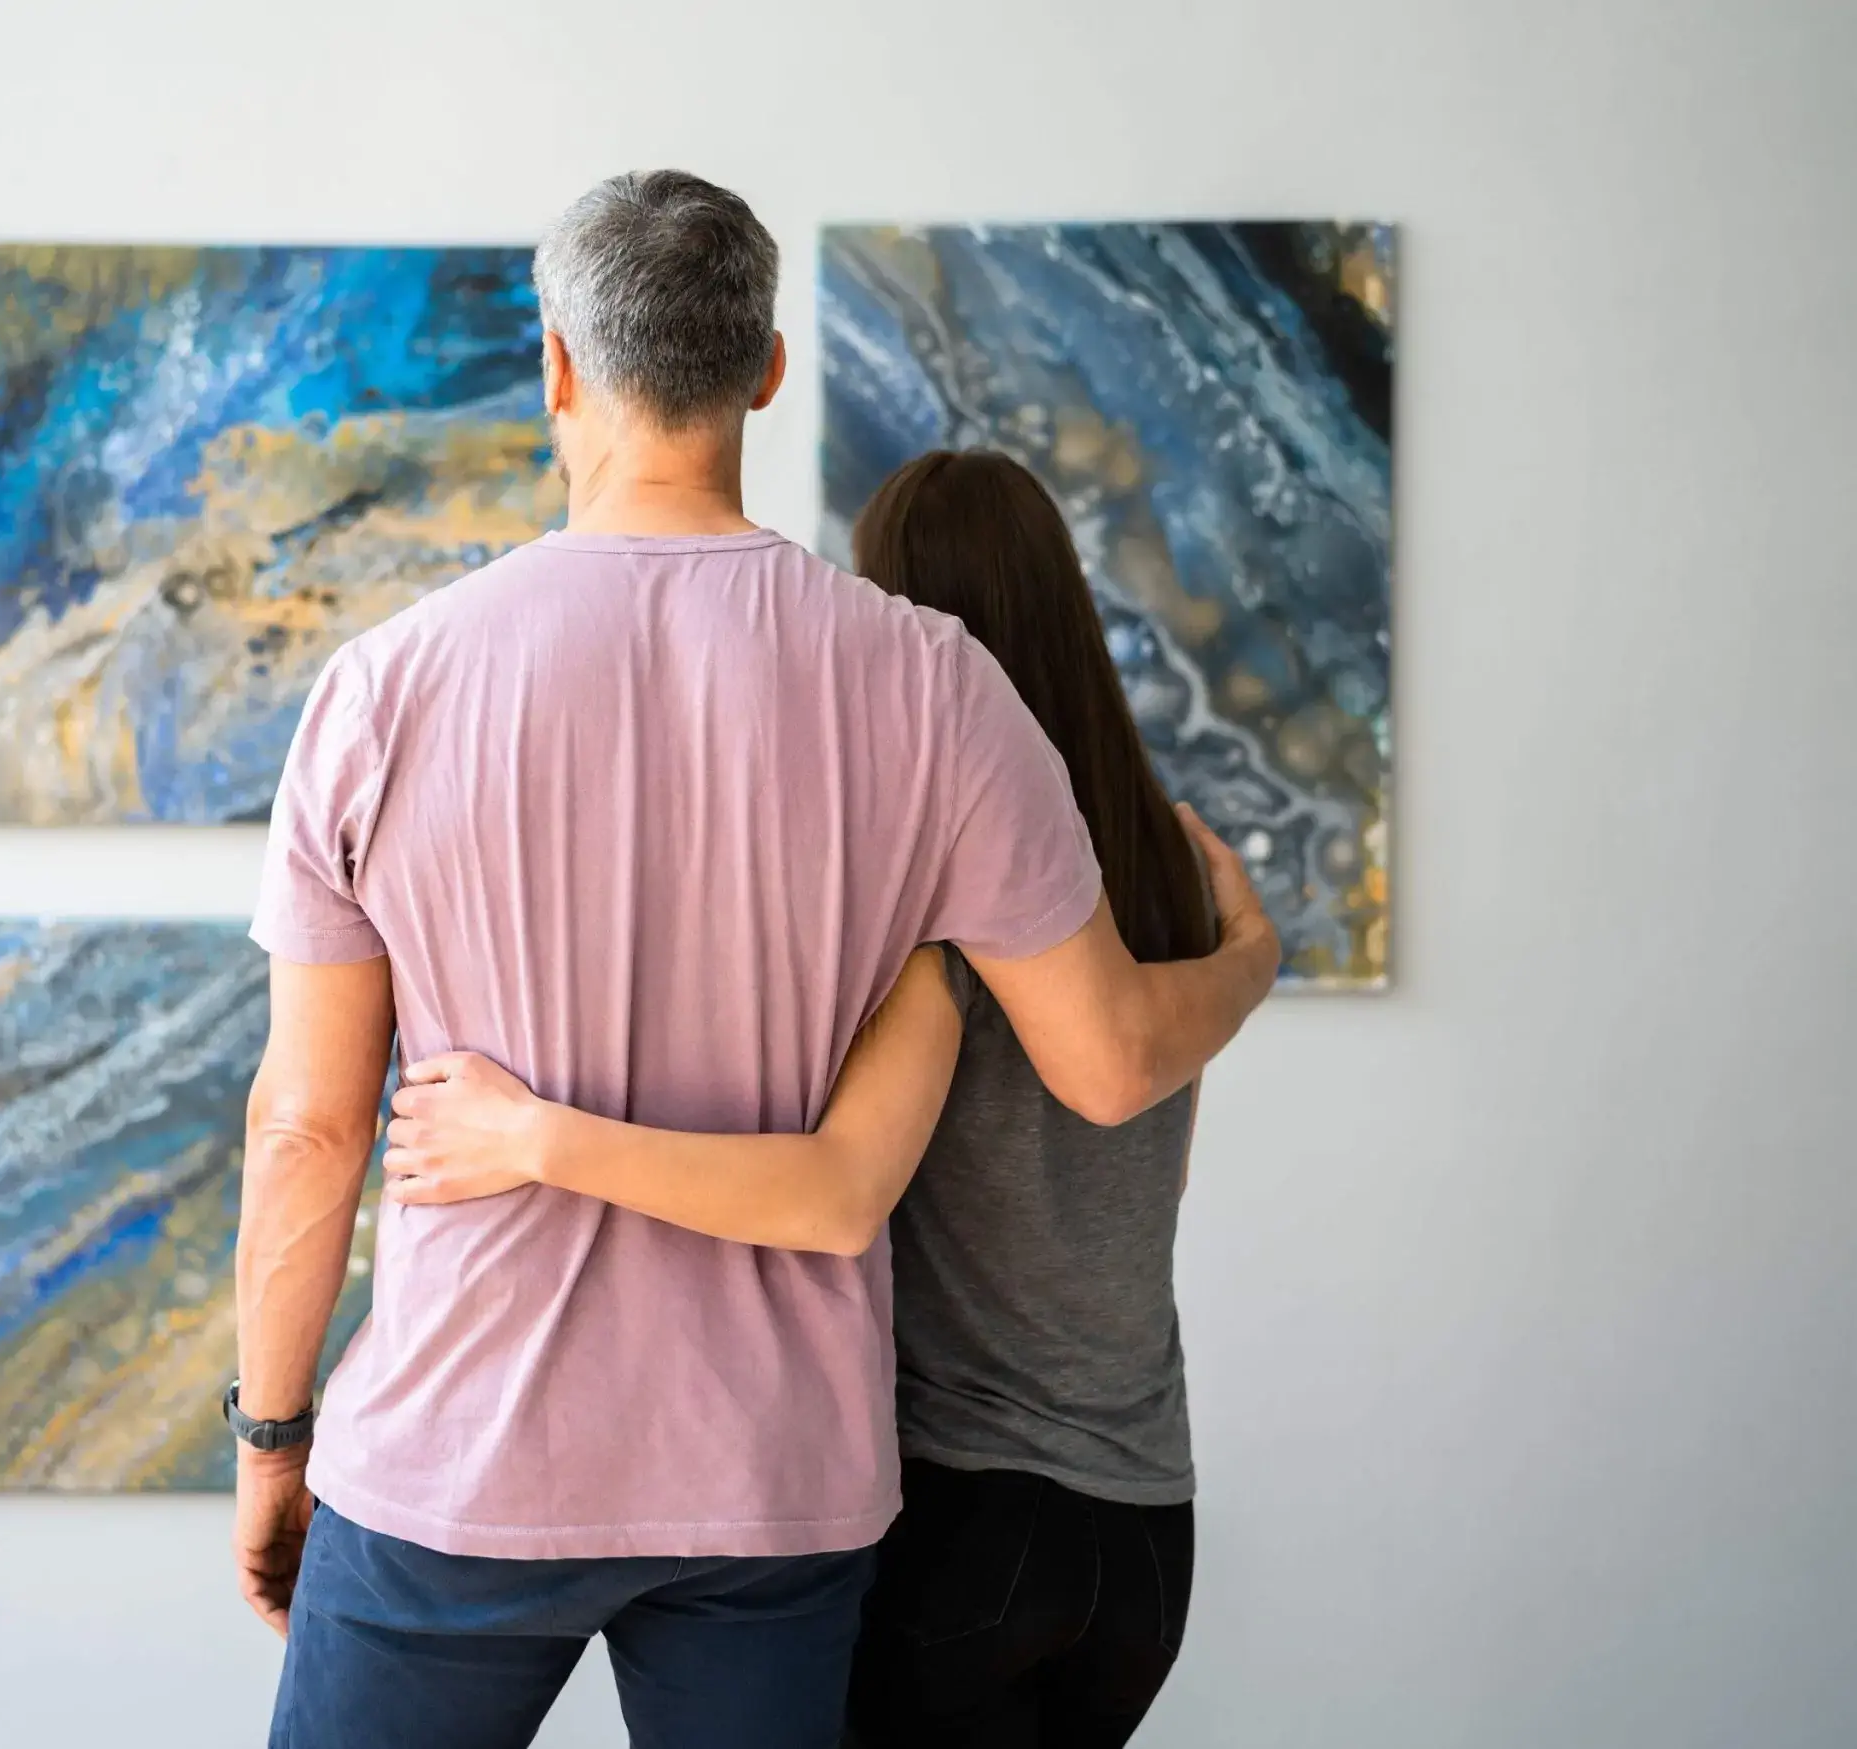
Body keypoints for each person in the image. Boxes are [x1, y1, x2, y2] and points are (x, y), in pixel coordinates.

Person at [233, 170, 1280, 1749]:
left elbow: (308, 1129)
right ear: (768, 370)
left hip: (461, 1456)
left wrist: (271, 1436)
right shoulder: (937, 685)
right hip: (775, 1484)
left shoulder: (385, 688)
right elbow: (1113, 1060)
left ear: (557, 366)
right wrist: (1254, 956)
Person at [387, 449, 1225, 1746]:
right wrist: (1252, 964)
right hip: (1145, 1535)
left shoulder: (940, 911)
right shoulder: (1171, 875)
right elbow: (1145, 1143)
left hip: (963, 1516)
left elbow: (838, 1193)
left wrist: (529, 1135)